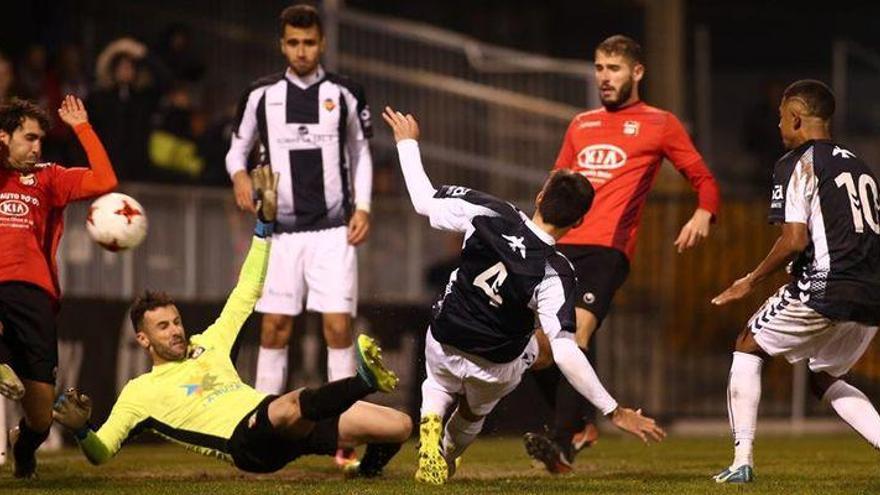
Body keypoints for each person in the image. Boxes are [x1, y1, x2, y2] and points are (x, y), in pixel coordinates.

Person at [52, 166, 410, 477]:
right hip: (250, 443)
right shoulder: (138, 393)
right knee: (291, 403)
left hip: (282, 423)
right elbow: (101, 453)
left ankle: (368, 470)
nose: (176, 330)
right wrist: (83, 430)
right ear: (143, 340)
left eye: (176, 321)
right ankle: (364, 381)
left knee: (398, 425)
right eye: (163, 327)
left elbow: (248, 289)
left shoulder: (210, 342)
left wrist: (265, 224)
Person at [382, 106, 665, 486]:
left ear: (539, 196)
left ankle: (430, 419)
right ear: (578, 221)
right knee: (484, 402)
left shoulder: (491, 212)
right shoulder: (556, 270)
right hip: (494, 362)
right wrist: (613, 410)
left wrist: (407, 144)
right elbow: (566, 351)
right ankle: (446, 450)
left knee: (438, 381)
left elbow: (422, 199)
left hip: (445, 333)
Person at [524, 34, 721, 473]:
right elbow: (556, 185)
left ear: (637, 72)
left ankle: (562, 440)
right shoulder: (581, 124)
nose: (604, 78)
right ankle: (580, 424)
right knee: (534, 351)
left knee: (573, 338)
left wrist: (704, 212)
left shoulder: (660, 123)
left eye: (613, 69)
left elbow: (703, 178)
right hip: (560, 249)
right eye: (598, 68)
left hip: (606, 252)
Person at [225, 3, 373, 467]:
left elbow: (361, 153)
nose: (302, 50)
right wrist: (240, 178)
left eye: (309, 42)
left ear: (321, 43)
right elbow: (236, 151)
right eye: (293, 42)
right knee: (274, 329)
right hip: (280, 233)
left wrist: (364, 207)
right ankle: (265, 432)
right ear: (282, 43)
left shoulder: (345, 93)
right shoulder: (260, 95)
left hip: (332, 231)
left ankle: (343, 435)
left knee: (337, 328)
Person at [711, 80, 880, 484]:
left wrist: (750, 280)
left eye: (781, 118)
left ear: (797, 118)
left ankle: (742, 462)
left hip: (828, 283)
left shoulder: (797, 162)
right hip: (872, 291)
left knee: (748, 345)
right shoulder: (858, 162)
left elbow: (794, 239)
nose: (779, 126)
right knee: (824, 378)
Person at [0, 95, 119, 478]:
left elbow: (105, 180)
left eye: (40, 141)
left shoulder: (49, 178)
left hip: (35, 296)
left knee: (40, 414)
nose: (36, 148)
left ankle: (24, 448)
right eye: (29, 138)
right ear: (5, 138)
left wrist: (82, 127)